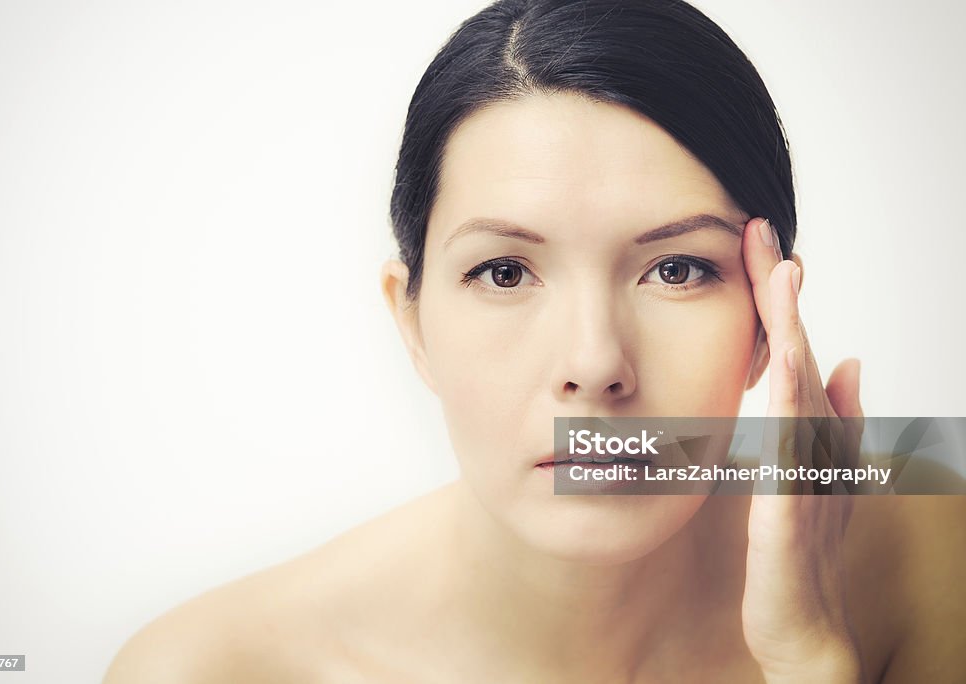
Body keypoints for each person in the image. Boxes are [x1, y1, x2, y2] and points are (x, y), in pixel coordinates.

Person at [103, 1, 966, 681]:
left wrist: (810, 660)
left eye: (675, 271)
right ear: (412, 323)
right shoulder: (210, 671)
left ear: (769, 322)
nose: (595, 367)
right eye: (506, 273)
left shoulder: (931, 549)